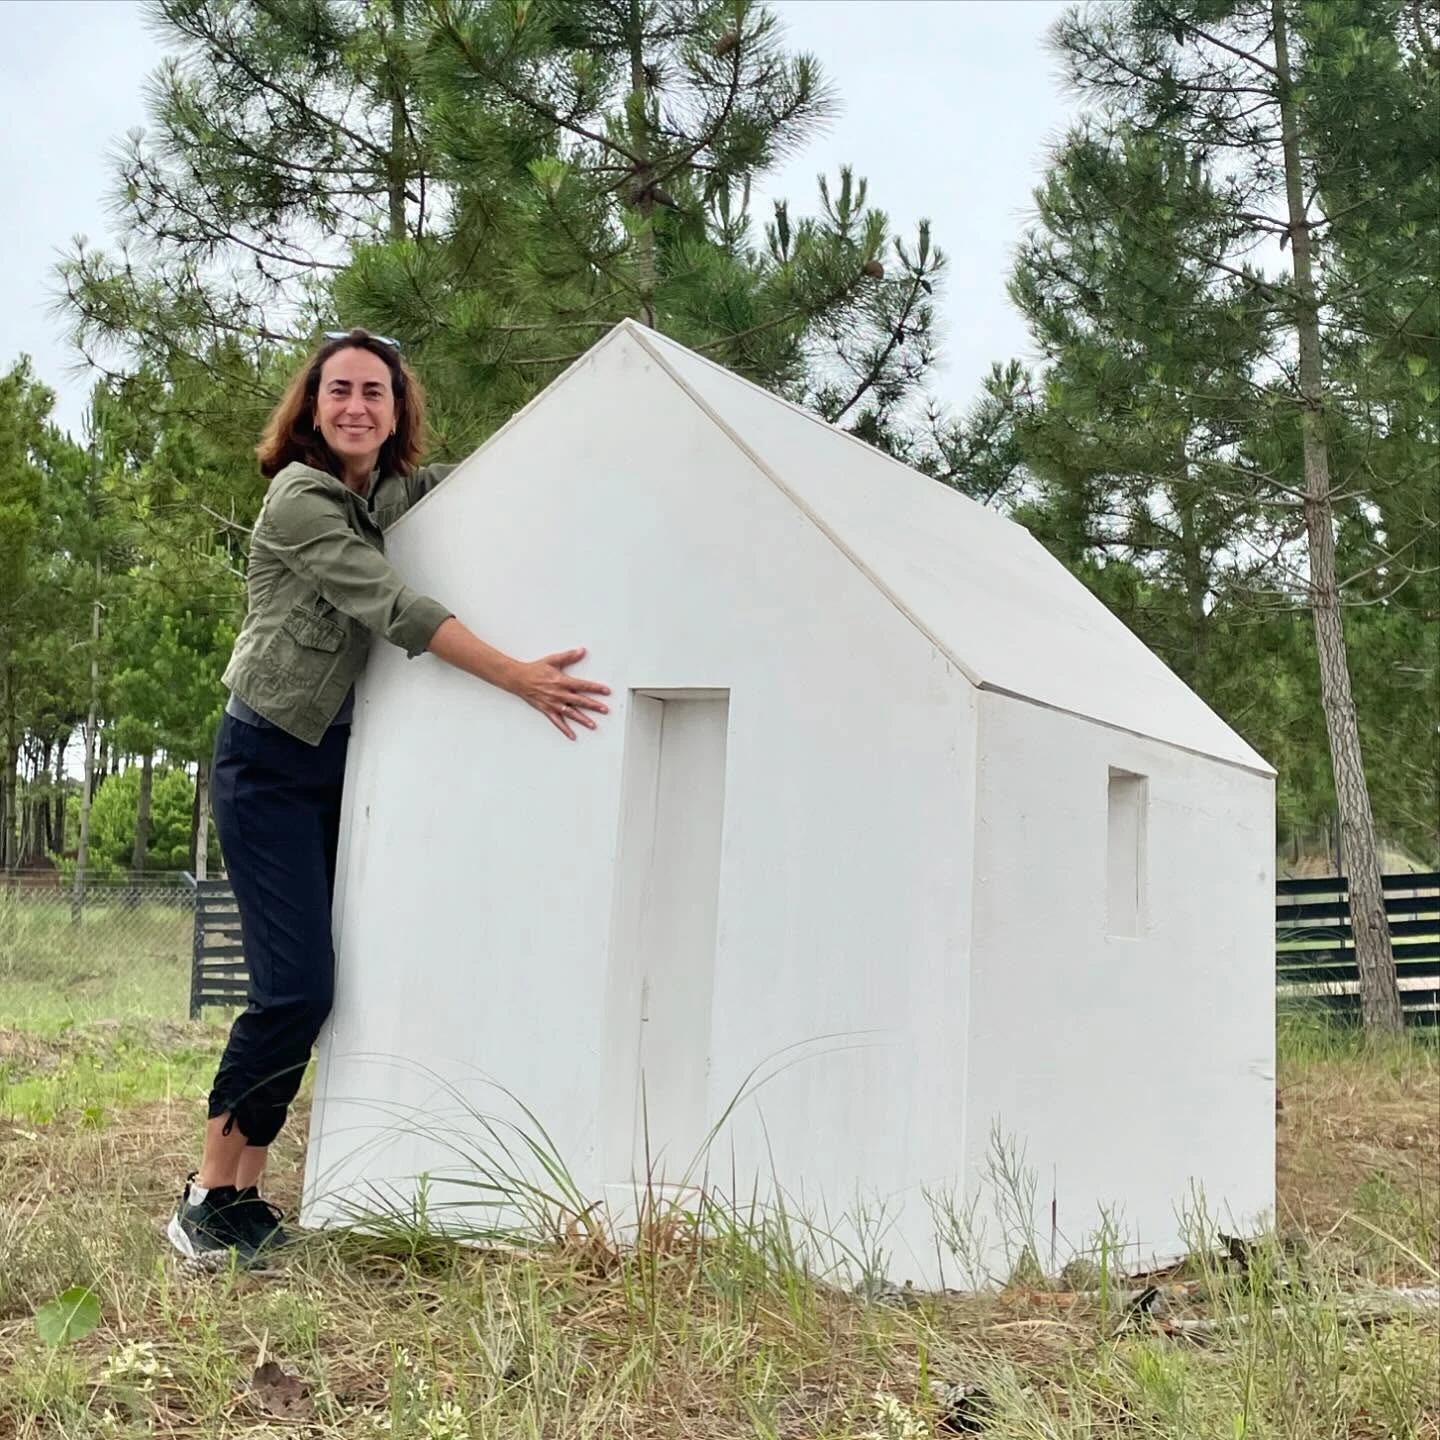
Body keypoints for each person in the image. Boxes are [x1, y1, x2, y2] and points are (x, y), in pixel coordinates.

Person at [167, 329, 609, 1268]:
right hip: (267, 764)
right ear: (312, 406)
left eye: (377, 392)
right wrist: (519, 677)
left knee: (316, 992)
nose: (358, 406)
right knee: (295, 988)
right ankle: (205, 1195)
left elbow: (476, 484)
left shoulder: (387, 495)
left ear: (398, 409)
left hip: (340, 767)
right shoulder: (301, 497)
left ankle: (244, 1197)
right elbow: (394, 609)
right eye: (341, 391)